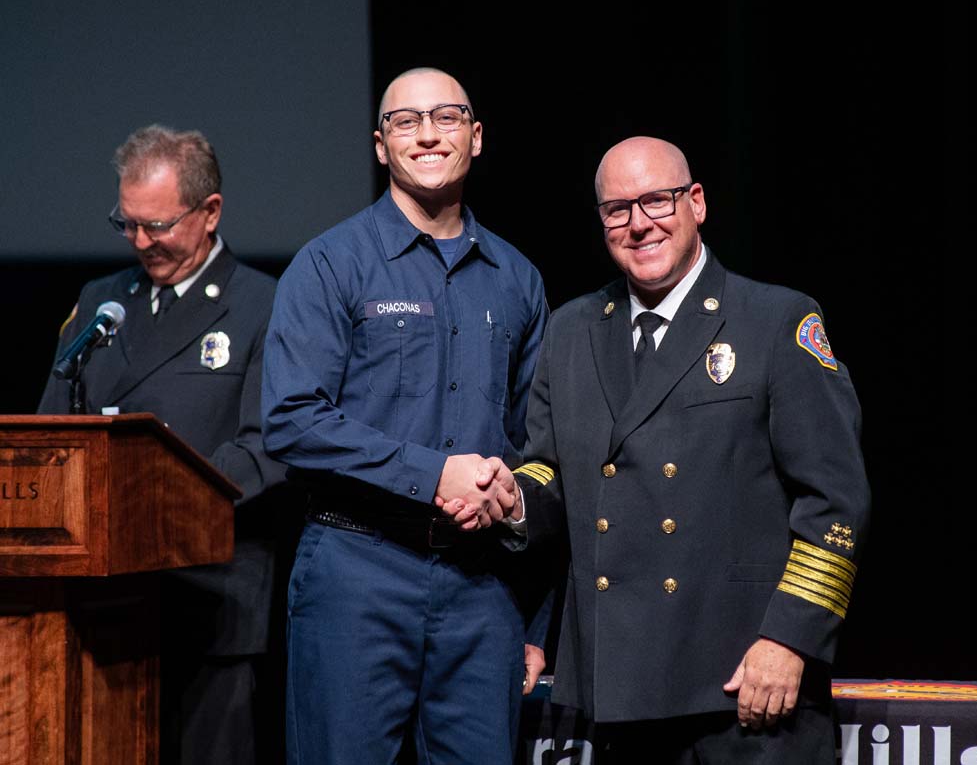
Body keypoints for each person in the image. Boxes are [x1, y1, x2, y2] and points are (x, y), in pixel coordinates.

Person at [507, 136, 871, 762]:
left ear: (696, 203)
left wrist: (790, 640)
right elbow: (550, 470)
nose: (639, 223)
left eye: (657, 200)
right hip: (624, 692)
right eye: (618, 209)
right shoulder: (570, 331)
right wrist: (508, 497)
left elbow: (836, 501)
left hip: (749, 689)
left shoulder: (775, 320)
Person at [260, 67, 548, 764]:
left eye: (445, 118)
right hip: (357, 573)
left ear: (475, 138)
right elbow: (292, 420)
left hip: (483, 591)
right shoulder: (329, 264)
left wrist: (537, 619)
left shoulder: (518, 278)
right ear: (381, 146)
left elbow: (541, 448)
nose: (426, 134)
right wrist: (433, 473)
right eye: (404, 122)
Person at [37, 124, 288, 765]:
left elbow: (267, 446)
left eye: (158, 225)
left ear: (210, 212)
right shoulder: (100, 304)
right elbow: (50, 436)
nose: (141, 242)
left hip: (213, 595)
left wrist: (161, 505)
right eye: (128, 223)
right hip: (104, 600)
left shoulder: (264, 304)